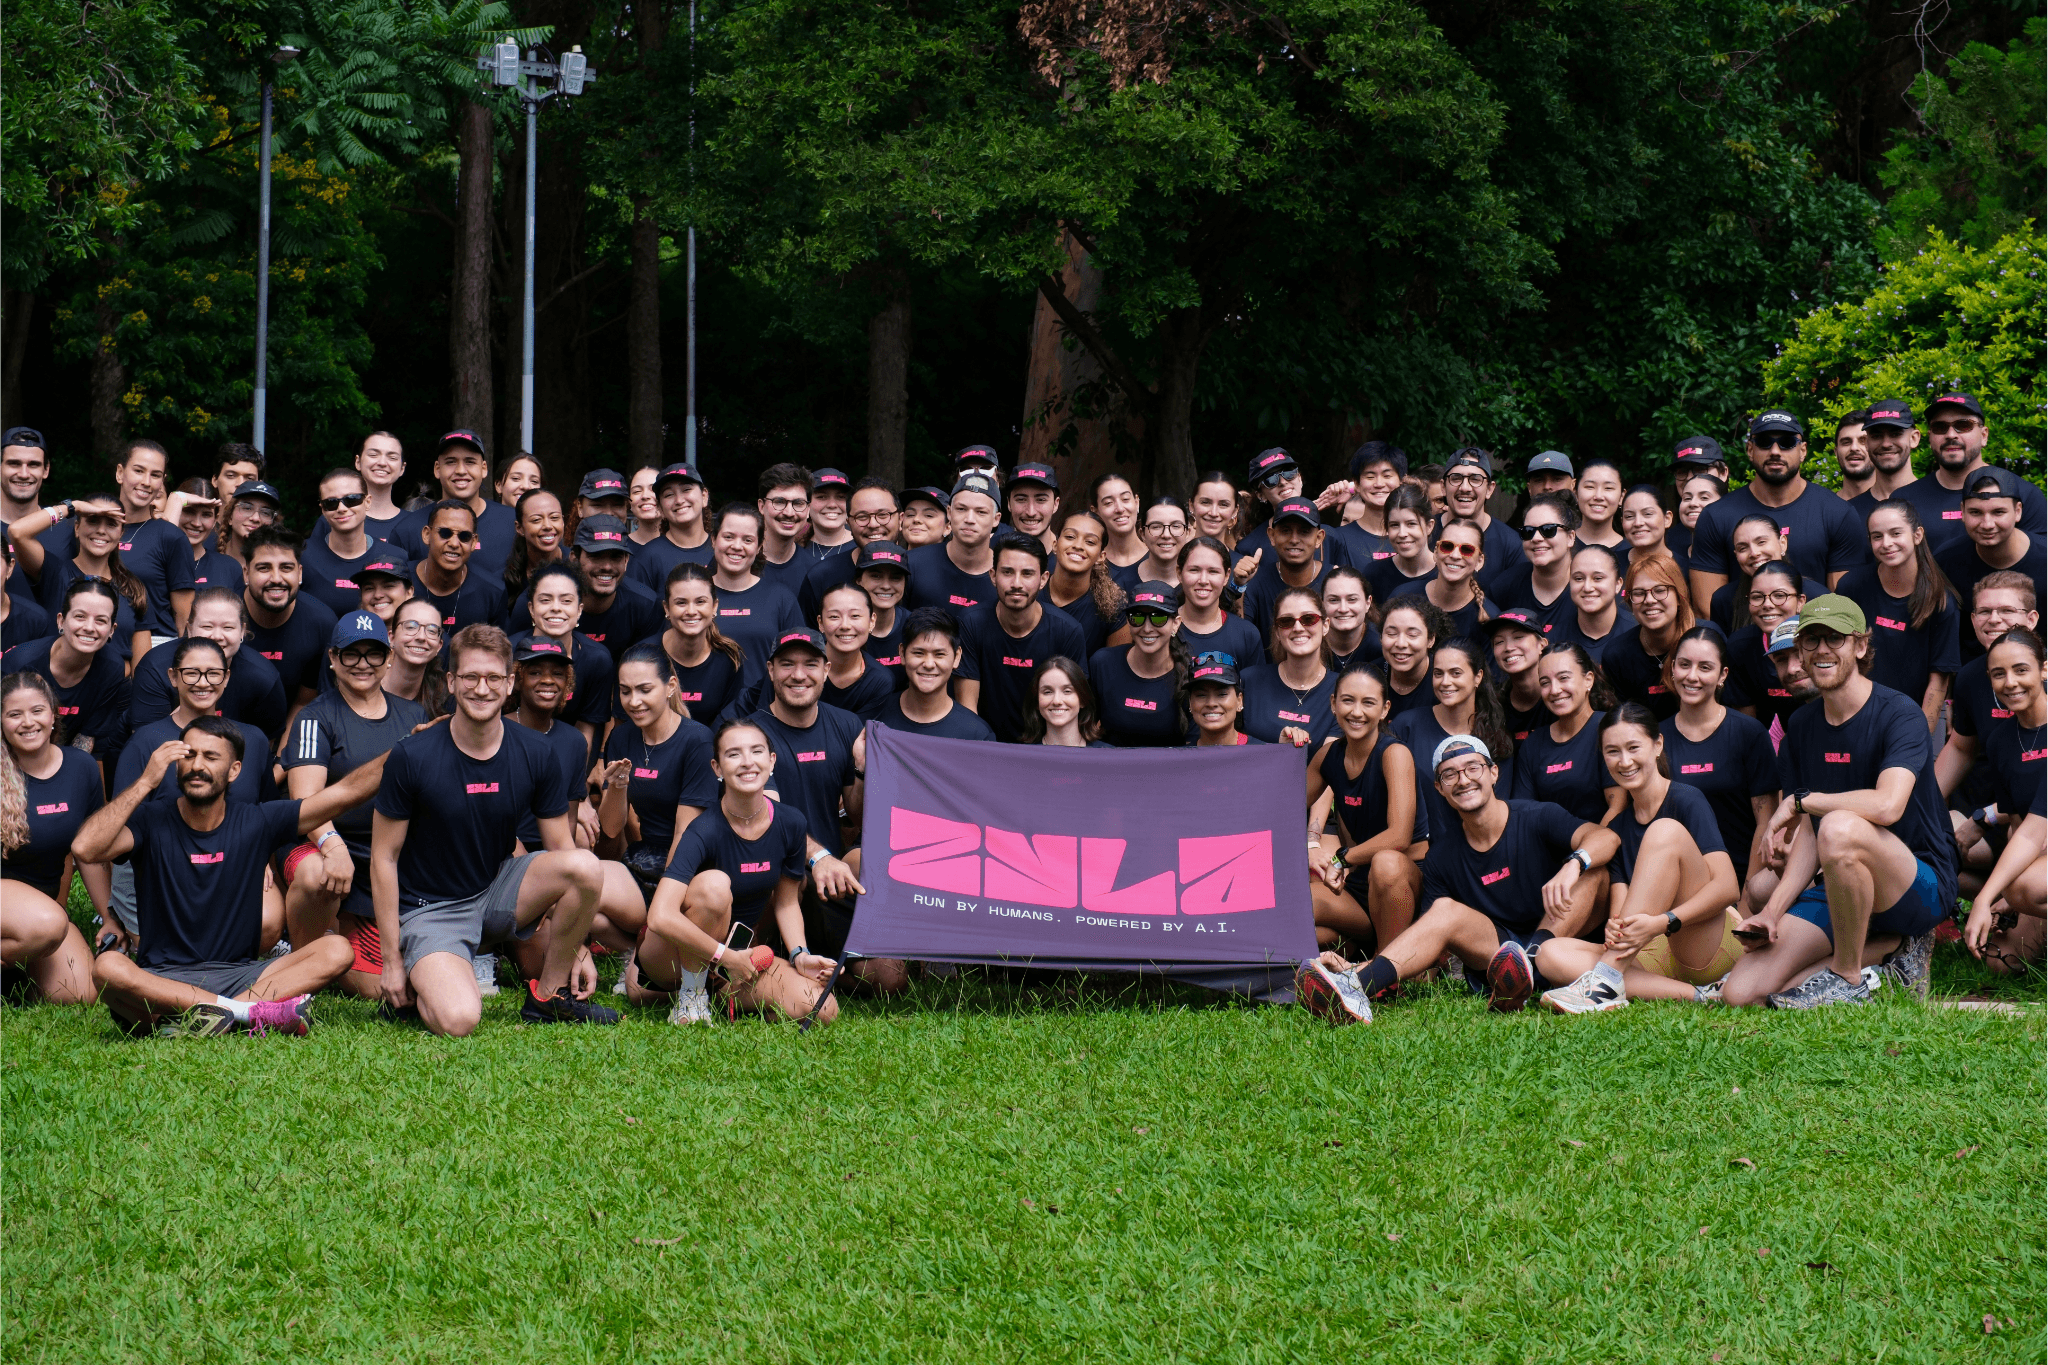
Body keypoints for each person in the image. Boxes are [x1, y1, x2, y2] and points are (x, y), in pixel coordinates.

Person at [369, 624, 619, 1035]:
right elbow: (384, 857)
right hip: (432, 909)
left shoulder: (536, 752)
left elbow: (560, 850)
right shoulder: (412, 756)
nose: (481, 689)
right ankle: (425, 979)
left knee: (587, 866)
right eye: (469, 677)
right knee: (460, 1020)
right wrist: (391, 961)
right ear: (451, 681)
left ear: (509, 683)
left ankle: (550, 998)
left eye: (493, 678)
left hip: (498, 889)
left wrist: (574, 948)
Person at [75, 717, 389, 1036]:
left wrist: (402, 751)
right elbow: (86, 848)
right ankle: (244, 1013)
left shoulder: (256, 820)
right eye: (189, 755)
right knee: (107, 968)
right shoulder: (150, 820)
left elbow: (347, 792)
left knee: (336, 949)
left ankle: (203, 1020)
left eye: (211, 757)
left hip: (241, 975)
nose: (197, 765)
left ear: (234, 770)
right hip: (162, 981)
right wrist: (144, 783)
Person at [1722, 596, 1954, 1008]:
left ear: (1861, 646)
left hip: (1917, 883)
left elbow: (1887, 806)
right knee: (1742, 994)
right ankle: (1891, 955)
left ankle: (1848, 976)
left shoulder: (1900, 713)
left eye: (1835, 639)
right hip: (1844, 888)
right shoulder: (1803, 724)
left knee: (1839, 825)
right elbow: (1811, 830)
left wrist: (1803, 801)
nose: (1822, 650)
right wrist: (1772, 912)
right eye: (1811, 641)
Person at [1295, 734, 1619, 1024]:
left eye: (1473, 768)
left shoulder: (1537, 816)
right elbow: (1429, 942)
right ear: (1440, 788)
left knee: (1595, 870)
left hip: (1560, 936)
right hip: (1499, 953)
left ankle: (1534, 957)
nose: (1463, 780)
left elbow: (1605, 837)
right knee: (1444, 910)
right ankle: (1356, 986)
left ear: (1493, 773)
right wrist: (1360, 967)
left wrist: (1573, 863)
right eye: (1450, 774)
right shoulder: (1442, 856)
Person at [1536, 704, 1743, 1011]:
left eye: (1633, 747)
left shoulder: (1686, 799)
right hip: (1653, 954)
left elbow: (1728, 888)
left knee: (1663, 832)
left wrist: (1663, 922)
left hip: (1704, 943)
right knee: (1549, 954)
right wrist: (1615, 929)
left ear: (1657, 745)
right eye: (1612, 752)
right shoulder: (1618, 827)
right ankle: (1702, 996)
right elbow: (1621, 915)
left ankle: (1605, 982)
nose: (1625, 761)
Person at [636, 719, 839, 1025]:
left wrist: (801, 955)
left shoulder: (791, 823)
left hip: (734, 957)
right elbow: (660, 916)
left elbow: (785, 902)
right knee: (714, 886)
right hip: (672, 954)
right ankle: (689, 997)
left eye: (756, 751)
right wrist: (725, 956)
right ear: (717, 768)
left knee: (823, 1009)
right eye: (733, 754)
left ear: (771, 761)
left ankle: (720, 992)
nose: (747, 762)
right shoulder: (703, 829)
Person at [279, 612, 431, 1000]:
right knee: (316, 873)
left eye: (374, 653)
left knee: (387, 989)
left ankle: (341, 944)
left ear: (390, 658)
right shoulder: (315, 717)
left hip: (386, 853)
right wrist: (333, 845)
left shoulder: (414, 715)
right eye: (351, 654)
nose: (363, 663)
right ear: (332, 658)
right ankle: (303, 960)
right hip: (324, 843)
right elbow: (305, 801)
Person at [741, 628, 878, 986]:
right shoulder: (750, 735)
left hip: (831, 881)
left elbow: (859, 816)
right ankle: (773, 958)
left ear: (826, 670)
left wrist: (861, 768)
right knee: (791, 876)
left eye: (810, 664)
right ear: (770, 670)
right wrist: (818, 857)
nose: (799, 675)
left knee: (887, 980)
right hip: (776, 878)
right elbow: (766, 817)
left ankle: (821, 963)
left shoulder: (846, 724)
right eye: (787, 664)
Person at [1688, 410, 1865, 610]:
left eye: (1787, 442)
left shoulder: (1838, 513)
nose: (1775, 451)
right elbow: (1709, 609)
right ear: (1750, 449)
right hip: (1740, 636)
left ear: (1803, 450)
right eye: (1764, 442)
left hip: (1813, 636)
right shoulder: (1715, 516)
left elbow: (1842, 606)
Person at [1304, 664, 1424, 953]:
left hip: (1403, 879)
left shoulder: (1394, 753)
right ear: (1333, 703)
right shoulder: (1328, 755)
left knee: (1386, 862)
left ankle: (1388, 969)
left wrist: (1341, 860)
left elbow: (1399, 838)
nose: (1356, 712)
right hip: (1358, 883)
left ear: (1384, 709)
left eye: (1368, 703)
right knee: (1300, 907)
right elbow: (1281, 808)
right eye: (1348, 700)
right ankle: (1369, 952)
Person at [1659, 626, 1779, 913]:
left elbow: (1766, 821)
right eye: (1684, 665)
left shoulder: (1749, 733)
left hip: (1740, 881)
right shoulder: (1656, 738)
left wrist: (1748, 897)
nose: (1692, 676)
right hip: (1680, 887)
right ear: (1673, 668)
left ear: (1723, 675)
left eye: (1705, 667)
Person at [0, 671, 99, 1002]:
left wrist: (108, 916)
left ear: (54, 714)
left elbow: (88, 850)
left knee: (79, 993)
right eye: (15, 714)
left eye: (37, 710)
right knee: (47, 925)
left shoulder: (81, 767)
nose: (28, 722)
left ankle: (17, 961)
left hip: (42, 906)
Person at [599, 643, 718, 905]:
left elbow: (685, 833)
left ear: (670, 686)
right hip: (643, 859)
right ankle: (641, 940)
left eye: (645, 690)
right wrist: (617, 787)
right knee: (579, 889)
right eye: (625, 691)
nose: (634, 701)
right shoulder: (620, 737)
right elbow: (610, 828)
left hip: (689, 865)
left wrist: (664, 902)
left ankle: (653, 931)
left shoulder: (697, 740)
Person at [1839, 500, 1959, 730]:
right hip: (1856, 713)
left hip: (1912, 716)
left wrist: (1920, 738)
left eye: (1896, 533)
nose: (1886, 543)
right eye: (1877, 536)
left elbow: (1938, 681)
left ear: (1917, 535)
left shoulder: (1940, 601)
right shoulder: (1852, 586)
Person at [956, 539, 1087, 742]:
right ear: (993, 576)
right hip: (985, 746)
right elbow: (967, 710)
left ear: (1043, 579)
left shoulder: (1067, 630)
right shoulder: (971, 623)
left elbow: (1071, 710)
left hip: (1045, 749)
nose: (1016, 583)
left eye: (1027, 573)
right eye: (1007, 572)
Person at [1951, 629, 2047, 908]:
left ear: (2044, 670)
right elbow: (2018, 826)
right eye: (1998, 674)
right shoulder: (2000, 742)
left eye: (2021, 670)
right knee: (1998, 948)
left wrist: (1989, 897)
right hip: (2038, 857)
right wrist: (2006, 899)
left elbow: (2034, 830)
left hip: (2040, 860)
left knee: (2022, 888)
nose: (2011, 683)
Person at [1392, 637, 1515, 850]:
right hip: (1418, 854)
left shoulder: (1495, 734)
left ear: (1478, 677)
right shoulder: (1406, 725)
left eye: (1455, 673)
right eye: (1438, 673)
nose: (1445, 682)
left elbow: (1501, 809)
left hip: (1480, 854)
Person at [1892, 391, 2048, 556]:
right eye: (1940, 427)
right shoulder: (1904, 500)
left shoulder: (2023, 495)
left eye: (1963, 425)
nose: (1951, 434)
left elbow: (2039, 562)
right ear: (1930, 437)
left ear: (1984, 435)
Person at [9, 492, 150, 665]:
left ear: (121, 534)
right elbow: (17, 532)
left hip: (114, 689)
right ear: (76, 528)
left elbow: (143, 667)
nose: (101, 530)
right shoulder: (55, 573)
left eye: (111, 524)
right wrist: (73, 506)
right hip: (57, 687)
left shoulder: (133, 588)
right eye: (92, 520)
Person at [8, 580, 131, 761]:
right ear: (61, 620)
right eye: (80, 616)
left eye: (101, 620)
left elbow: (87, 736)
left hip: (63, 757)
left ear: (112, 630)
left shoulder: (111, 668)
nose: (89, 628)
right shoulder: (22, 662)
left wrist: (65, 774)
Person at [1935, 468, 2045, 663]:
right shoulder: (1945, 561)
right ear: (1962, 511)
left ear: (2018, 511)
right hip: (1971, 676)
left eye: (1998, 512)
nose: (1987, 524)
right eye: (1976, 512)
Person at [387, 430, 519, 584]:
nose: (461, 471)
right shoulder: (407, 530)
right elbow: (392, 589)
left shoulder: (514, 523)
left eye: (470, 461)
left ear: (484, 468)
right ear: (437, 469)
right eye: (451, 462)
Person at [239, 527, 340, 726]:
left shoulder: (321, 623)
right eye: (264, 568)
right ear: (246, 574)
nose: (276, 578)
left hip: (294, 727)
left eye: (286, 568)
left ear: (300, 573)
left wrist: (282, 754)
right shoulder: (221, 617)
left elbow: (306, 701)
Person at [1512, 641, 1620, 826]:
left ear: (1588, 680)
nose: (1554, 690)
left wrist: (1583, 854)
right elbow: (1523, 815)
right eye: (1545, 683)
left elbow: (1617, 808)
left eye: (1563, 678)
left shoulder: (1610, 729)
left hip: (1602, 847)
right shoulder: (1533, 744)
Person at [508, 562, 614, 750]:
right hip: (512, 745)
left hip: (569, 751)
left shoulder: (597, 659)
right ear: (531, 609)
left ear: (579, 610)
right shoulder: (507, 652)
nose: (556, 608)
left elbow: (586, 730)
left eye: (566, 601)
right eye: (546, 600)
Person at [704, 503, 805, 683]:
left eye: (747, 540)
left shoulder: (780, 598)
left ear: (759, 547)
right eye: (728, 537)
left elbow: (799, 661)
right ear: (713, 540)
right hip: (706, 709)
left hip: (764, 707)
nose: (737, 546)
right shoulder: (694, 596)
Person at [1088, 582, 1191, 747]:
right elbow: (1085, 730)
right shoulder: (1102, 664)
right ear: (1128, 622)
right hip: (1110, 769)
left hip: (1169, 771)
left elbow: (1196, 748)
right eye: (1137, 617)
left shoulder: (1190, 674)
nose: (1147, 628)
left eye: (1158, 618)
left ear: (1176, 623)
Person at [644, 562, 746, 724]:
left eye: (700, 602)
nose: (691, 611)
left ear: (714, 606)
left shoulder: (729, 658)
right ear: (667, 609)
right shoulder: (644, 656)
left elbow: (731, 725)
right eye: (681, 603)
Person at [1601, 552, 1695, 719]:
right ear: (1630, 602)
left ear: (1679, 597)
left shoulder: (1705, 640)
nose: (1649, 600)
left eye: (1660, 590)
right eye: (1639, 593)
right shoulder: (1617, 655)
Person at [880, 608, 998, 741]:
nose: (929, 664)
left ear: (957, 657)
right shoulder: (876, 715)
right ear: (902, 653)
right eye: (918, 653)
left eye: (939, 654)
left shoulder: (977, 735)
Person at [1722, 562, 1808, 737]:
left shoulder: (1821, 641)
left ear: (1800, 602)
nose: (1767, 604)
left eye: (1779, 595)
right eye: (1757, 597)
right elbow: (1746, 727)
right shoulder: (1739, 647)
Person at [796, 478, 900, 620]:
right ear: (848, 522)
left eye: (883, 515)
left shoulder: (917, 572)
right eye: (862, 517)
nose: (873, 524)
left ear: (901, 519)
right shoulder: (820, 577)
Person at [299, 468, 395, 618]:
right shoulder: (301, 555)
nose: (341, 508)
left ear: (367, 502)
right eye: (331, 503)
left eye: (351, 500)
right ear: (323, 509)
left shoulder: (394, 556)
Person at [1241, 499, 1333, 655]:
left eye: (1304, 531)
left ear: (1319, 538)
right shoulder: (1255, 583)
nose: (1294, 539)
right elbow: (1241, 637)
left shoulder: (1334, 582)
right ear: (1271, 536)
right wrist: (1239, 587)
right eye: (1285, 531)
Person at [1706, 513, 1824, 633]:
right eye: (1743, 548)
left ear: (1782, 543)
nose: (1754, 553)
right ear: (1736, 555)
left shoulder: (1818, 596)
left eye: (1761, 542)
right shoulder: (1723, 599)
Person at [1433, 449, 1524, 594]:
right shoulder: (1423, 533)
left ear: (1489, 489)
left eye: (1475, 479)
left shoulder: (1512, 545)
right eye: (1456, 478)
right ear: (1443, 487)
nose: (1464, 488)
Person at [409, 500, 506, 635]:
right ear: (426, 535)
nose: (454, 543)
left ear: (473, 543)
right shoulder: (400, 581)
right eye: (445, 533)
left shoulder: (492, 592)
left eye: (464, 536)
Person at [1042, 510, 1129, 658]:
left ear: (1101, 556)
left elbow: (1115, 669)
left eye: (1090, 542)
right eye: (1070, 537)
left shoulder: (1114, 606)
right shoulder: (1030, 590)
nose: (1078, 545)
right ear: (1055, 545)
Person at [907, 473, 999, 613]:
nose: (969, 519)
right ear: (949, 513)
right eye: (961, 509)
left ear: (996, 519)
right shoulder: (912, 564)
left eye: (981, 512)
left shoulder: (1008, 575)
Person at [1489, 493, 1580, 635]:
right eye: (1528, 532)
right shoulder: (1505, 586)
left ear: (1570, 537)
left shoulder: (1588, 588)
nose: (1536, 538)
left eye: (1548, 530)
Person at [1387, 516, 1487, 643]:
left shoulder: (1485, 617)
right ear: (1435, 552)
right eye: (1447, 546)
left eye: (1467, 550)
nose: (1455, 555)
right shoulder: (1403, 596)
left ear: (1479, 561)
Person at [627, 461, 715, 593]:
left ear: (704, 496)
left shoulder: (723, 549)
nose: (679, 500)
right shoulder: (647, 558)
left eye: (686, 489)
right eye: (669, 494)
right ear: (660, 508)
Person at [812, 582, 894, 721]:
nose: (845, 625)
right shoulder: (798, 668)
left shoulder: (879, 681)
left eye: (855, 616)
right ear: (820, 623)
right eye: (834, 617)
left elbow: (858, 737)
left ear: (872, 621)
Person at [1174, 535, 1259, 667]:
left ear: (1226, 576)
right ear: (1179, 574)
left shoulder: (1246, 635)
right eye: (1194, 570)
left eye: (1213, 571)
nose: (1203, 580)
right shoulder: (1162, 628)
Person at [1552, 543, 1635, 665]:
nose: (1587, 587)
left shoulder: (1638, 632)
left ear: (1618, 584)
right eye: (1579, 578)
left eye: (1598, 578)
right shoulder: (1555, 639)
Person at [1330, 442, 1405, 565]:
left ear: (1401, 481)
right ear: (1357, 484)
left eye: (1387, 476)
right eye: (1370, 477)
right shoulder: (1338, 539)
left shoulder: (1414, 536)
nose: (1379, 484)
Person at [1844, 400, 1919, 522]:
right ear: (1867, 443)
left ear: (1914, 438)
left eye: (1895, 434)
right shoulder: (1850, 512)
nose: (1886, 444)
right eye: (1876, 436)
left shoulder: (1936, 501)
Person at [165, 476, 242, 592]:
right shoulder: (153, 560)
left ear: (215, 519)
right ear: (177, 510)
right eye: (189, 511)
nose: (196, 523)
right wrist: (176, 499)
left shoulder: (229, 568)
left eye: (206, 515)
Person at [1481, 609, 1549, 740]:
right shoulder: (1492, 705)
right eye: (1499, 642)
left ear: (1542, 645)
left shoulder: (1560, 694)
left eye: (1518, 637)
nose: (1508, 647)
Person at [1363, 485, 1435, 606]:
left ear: (1429, 526)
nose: (1402, 533)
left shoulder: (1445, 574)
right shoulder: (1373, 574)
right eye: (1394, 525)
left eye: (1411, 524)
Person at [1376, 596, 1445, 722]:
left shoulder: (1444, 681)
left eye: (1412, 635)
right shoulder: (1370, 676)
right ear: (1381, 637)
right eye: (1391, 634)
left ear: (1430, 640)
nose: (1401, 644)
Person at [754, 463, 818, 595]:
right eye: (779, 502)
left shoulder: (815, 571)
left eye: (798, 503)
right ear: (761, 506)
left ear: (808, 510)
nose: (789, 512)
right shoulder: (737, 563)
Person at [851, 540, 909, 686]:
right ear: (859, 581)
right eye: (876, 576)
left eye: (895, 578)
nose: (885, 586)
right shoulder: (844, 629)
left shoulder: (914, 627)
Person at [1019, 654, 1107, 746]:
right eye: (1048, 692)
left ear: (1082, 699)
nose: (1057, 701)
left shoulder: (1106, 756)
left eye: (1067, 691)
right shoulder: (1024, 756)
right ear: (1036, 701)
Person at [380, 596, 449, 715]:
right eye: (411, 627)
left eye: (432, 630)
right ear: (391, 638)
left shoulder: (444, 697)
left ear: (439, 646)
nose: (421, 637)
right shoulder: (367, 684)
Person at [501, 486, 566, 604]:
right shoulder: (506, 579)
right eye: (536, 520)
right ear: (519, 528)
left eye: (554, 518)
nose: (547, 525)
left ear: (562, 521)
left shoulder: (578, 564)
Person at [1185, 657, 1260, 746]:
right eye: (1201, 695)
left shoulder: (1264, 755)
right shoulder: (1180, 758)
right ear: (1190, 703)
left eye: (1222, 694)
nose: (1211, 703)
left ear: (1239, 701)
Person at [1091, 472, 1147, 587]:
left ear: (1137, 502)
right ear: (1096, 512)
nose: (1120, 509)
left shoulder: (1159, 556)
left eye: (1125, 499)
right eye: (1108, 503)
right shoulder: (1091, 564)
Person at [1320, 567, 1378, 674]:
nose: (1343, 609)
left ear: (1367, 603)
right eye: (1333, 600)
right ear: (1322, 605)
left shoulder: (1382, 648)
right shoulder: (1312, 645)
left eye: (1352, 600)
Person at [352, 431, 408, 539]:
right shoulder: (337, 518)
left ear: (402, 468)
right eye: (373, 455)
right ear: (358, 462)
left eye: (392, 458)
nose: (382, 463)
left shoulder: (414, 525)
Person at [1676, 471, 1725, 578]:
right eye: (1687, 498)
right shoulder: (1672, 558)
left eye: (1704, 498)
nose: (1693, 503)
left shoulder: (1737, 555)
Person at [351, 547, 413, 631]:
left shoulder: (425, 635)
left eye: (388, 586)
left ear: (409, 592)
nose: (377, 595)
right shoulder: (351, 636)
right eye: (369, 588)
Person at [1004, 463, 1060, 553]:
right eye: (1021, 499)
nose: (1031, 512)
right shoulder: (992, 553)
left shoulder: (1066, 561)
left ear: (1055, 504)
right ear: (1009, 503)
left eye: (1041, 500)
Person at [1619, 485, 1677, 569]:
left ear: (1667, 519)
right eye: (1629, 516)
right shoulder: (1609, 563)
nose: (1638, 523)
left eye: (1648, 514)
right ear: (1622, 522)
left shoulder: (1687, 569)